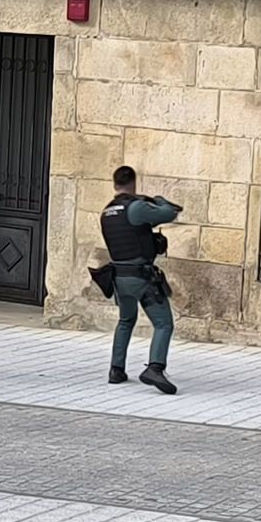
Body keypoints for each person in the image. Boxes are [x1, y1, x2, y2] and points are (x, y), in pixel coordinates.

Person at [100, 165, 181, 395]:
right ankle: (155, 368)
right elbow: (168, 214)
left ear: (115, 183)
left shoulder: (106, 212)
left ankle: (116, 369)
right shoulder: (135, 208)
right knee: (164, 323)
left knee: (126, 320)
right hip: (141, 277)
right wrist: (160, 200)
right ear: (133, 182)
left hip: (118, 278)